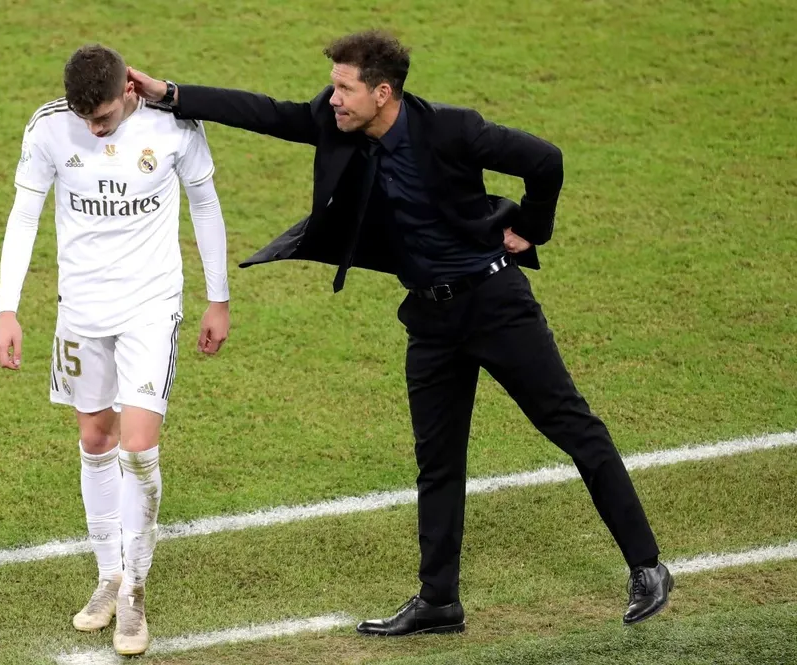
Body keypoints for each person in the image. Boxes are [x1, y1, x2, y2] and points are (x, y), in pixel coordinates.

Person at [126, 30, 672, 635]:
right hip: (431, 320)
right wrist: (170, 93)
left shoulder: (454, 130)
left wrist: (533, 228)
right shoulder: (340, 125)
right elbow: (267, 113)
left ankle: (647, 566)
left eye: (343, 88)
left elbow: (545, 161)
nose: (332, 99)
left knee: (573, 428)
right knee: (437, 462)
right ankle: (439, 600)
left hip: (496, 305)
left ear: (382, 93)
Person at [0, 43, 230, 656]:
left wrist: (218, 298)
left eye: (101, 118)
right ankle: (108, 575)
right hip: (81, 311)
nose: (93, 131)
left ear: (128, 89)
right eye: (85, 120)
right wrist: (7, 308)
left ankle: (135, 593)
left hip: (151, 308)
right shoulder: (50, 127)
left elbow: (204, 203)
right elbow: (24, 215)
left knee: (139, 445)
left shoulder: (173, 124)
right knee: (95, 438)